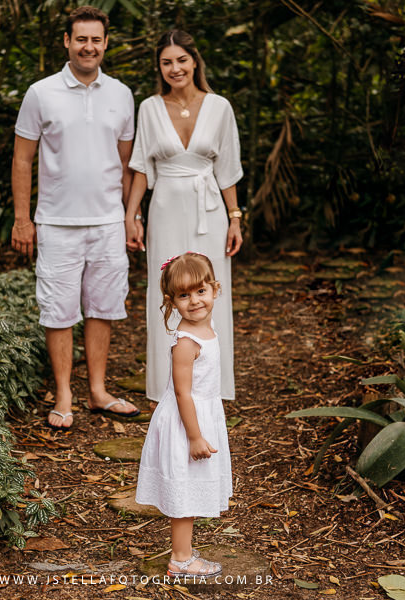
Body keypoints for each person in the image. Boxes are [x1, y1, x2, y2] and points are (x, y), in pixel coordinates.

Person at [11, 5, 140, 430]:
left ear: (106, 43)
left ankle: (99, 392)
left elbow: (125, 166)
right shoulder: (41, 93)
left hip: (106, 222)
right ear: (67, 41)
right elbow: (22, 159)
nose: (89, 46)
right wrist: (22, 219)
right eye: (81, 39)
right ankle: (64, 394)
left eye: (96, 39)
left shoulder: (121, 94)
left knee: (102, 308)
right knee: (59, 311)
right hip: (56, 223)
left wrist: (129, 217)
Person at [125, 29, 243, 405]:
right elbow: (142, 167)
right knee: (167, 289)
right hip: (166, 210)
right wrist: (132, 215)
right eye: (166, 62)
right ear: (159, 68)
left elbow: (227, 168)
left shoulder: (220, 106)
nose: (175, 68)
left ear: (195, 61)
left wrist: (236, 217)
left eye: (181, 60)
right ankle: (168, 384)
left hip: (209, 209)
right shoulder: (149, 108)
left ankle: (211, 385)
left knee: (211, 288)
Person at [135, 252, 232, 578]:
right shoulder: (186, 343)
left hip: (201, 414)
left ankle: (184, 551)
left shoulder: (208, 328)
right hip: (186, 421)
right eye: (184, 295)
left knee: (191, 489)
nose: (195, 301)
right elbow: (182, 393)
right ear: (171, 301)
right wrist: (194, 436)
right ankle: (180, 559)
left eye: (201, 291)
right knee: (187, 494)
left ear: (215, 289)